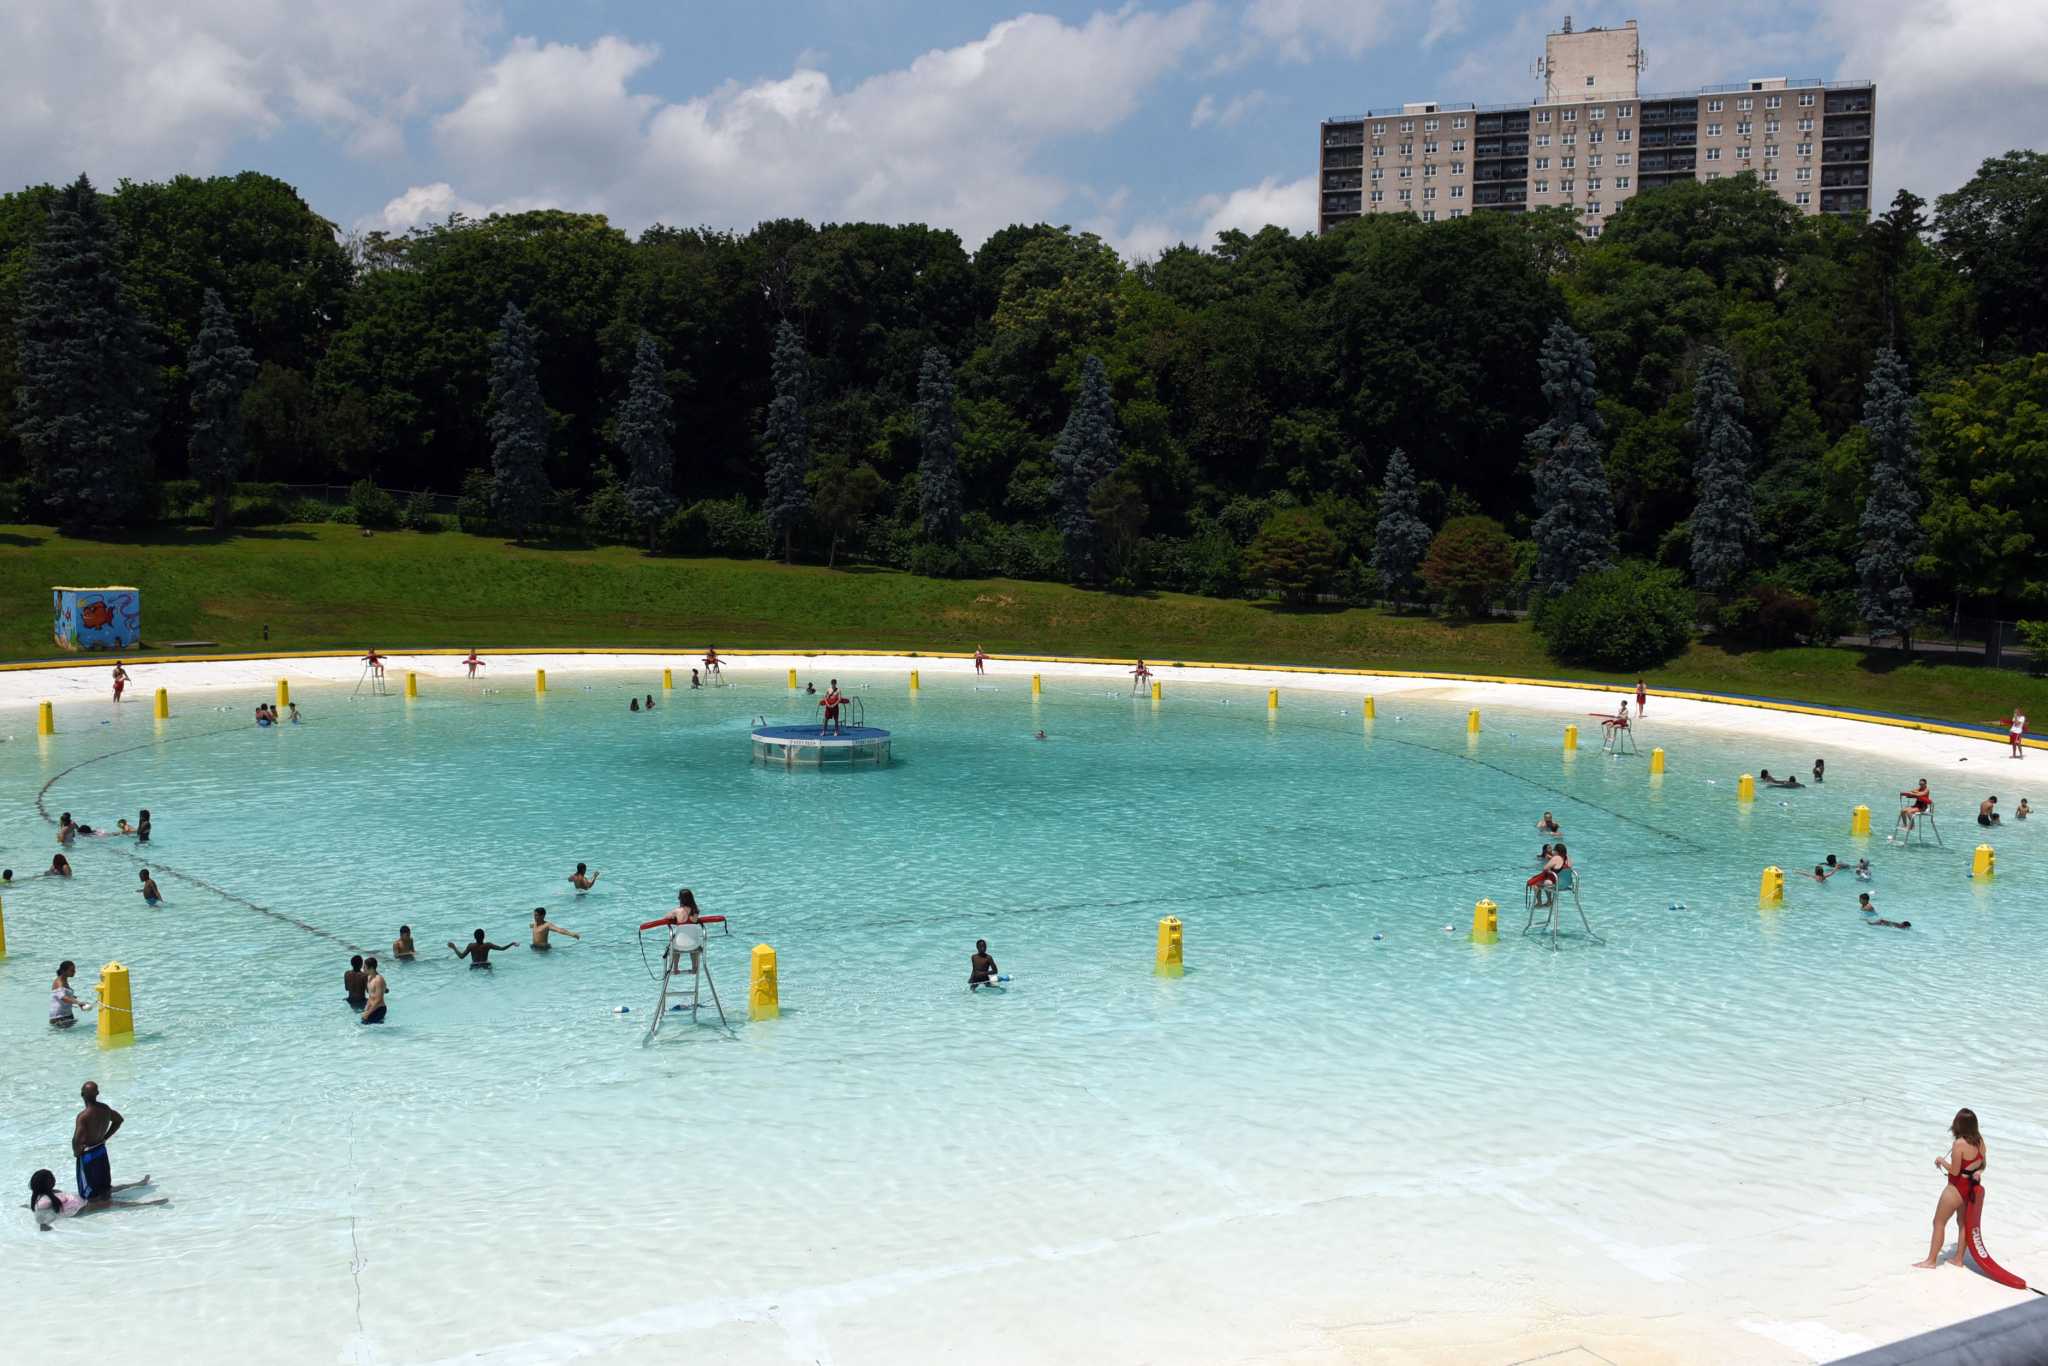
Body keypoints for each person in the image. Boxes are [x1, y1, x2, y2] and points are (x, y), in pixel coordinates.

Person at [1917, 1108, 1986, 1267]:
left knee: (1939, 1222)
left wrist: (1941, 1161)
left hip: (1955, 1188)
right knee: (1963, 1223)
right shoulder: (1980, 1142)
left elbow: (1955, 1171)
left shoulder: (1959, 1144)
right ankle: (1958, 1259)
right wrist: (1978, 1172)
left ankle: (1931, 1261)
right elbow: (1983, 1164)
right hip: (1969, 1188)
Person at [29, 1168, 162, 1229]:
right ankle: (149, 1204)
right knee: (111, 1203)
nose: (54, 1179)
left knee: (109, 1190)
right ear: (46, 1183)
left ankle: (138, 1184)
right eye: (51, 1178)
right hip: (80, 1209)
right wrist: (44, 1226)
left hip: (82, 1201)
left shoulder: (48, 1193)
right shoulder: (43, 1201)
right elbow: (40, 1214)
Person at [73, 1081, 124, 1206]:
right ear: (97, 1093)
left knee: (88, 1195)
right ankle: (111, 1203)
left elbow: (76, 1140)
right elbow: (119, 1120)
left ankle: (99, 1207)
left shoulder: (83, 1116)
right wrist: (105, 1137)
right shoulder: (105, 1109)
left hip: (88, 1154)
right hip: (101, 1150)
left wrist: (76, 1152)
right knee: (104, 1187)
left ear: (82, 1095)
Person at [665, 890, 706, 977]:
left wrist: (675, 919)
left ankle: (675, 968)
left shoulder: (677, 911)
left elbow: (666, 917)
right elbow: (694, 920)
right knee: (694, 945)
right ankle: (694, 967)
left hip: (679, 945)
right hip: (693, 945)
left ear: (680, 899)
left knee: (674, 947)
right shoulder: (695, 911)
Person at [50, 962, 90, 1029]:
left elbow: (66, 995)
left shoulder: (64, 980)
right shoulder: (59, 982)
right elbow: (63, 998)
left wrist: (76, 1001)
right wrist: (79, 1003)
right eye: (72, 970)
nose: (74, 972)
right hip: (59, 1017)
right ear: (64, 971)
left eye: (74, 970)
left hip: (66, 1015)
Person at [360, 958, 387, 1024]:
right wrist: (366, 1009)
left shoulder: (378, 980)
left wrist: (368, 1013)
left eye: (364, 967)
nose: (363, 969)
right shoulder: (369, 977)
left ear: (371, 968)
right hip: (372, 1008)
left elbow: (378, 1000)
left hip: (379, 1009)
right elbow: (370, 996)